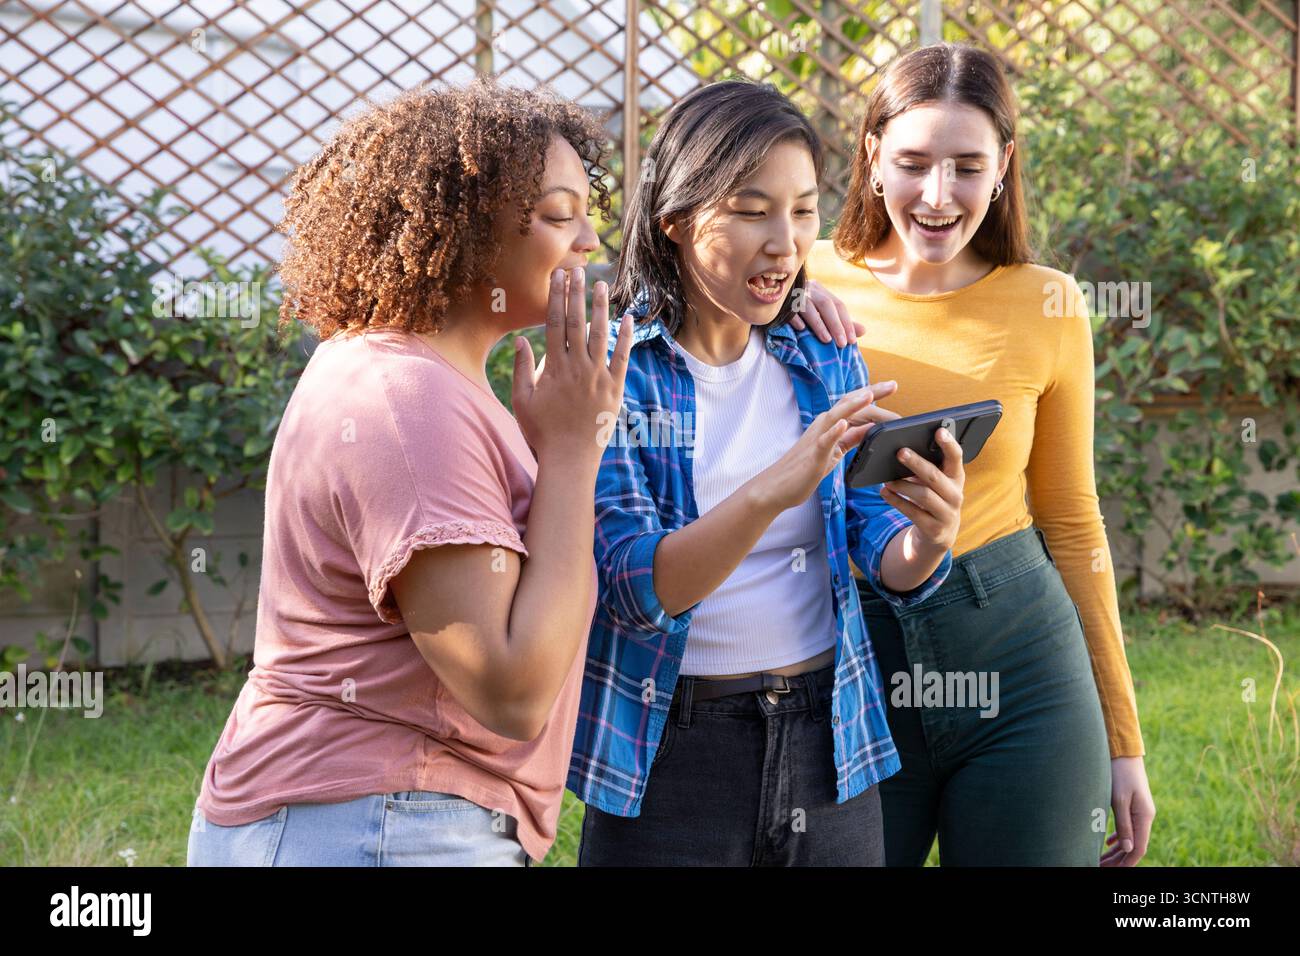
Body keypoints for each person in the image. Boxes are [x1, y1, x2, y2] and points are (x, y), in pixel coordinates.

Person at [187, 78, 632, 866]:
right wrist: (569, 456)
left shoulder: (405, 376)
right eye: (560, 215)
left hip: (372, 816)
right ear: (465, 229)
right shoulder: (409, 400)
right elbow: (511, 691)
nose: (590, 240)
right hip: (386, 821)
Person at [568, 79, 965, 866]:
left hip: (830, 741)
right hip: (673, 751)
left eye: (803, 210)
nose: (785, 242)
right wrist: (774, 487)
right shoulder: (614, 371)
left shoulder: (819, 349)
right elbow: (640, 588)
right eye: (751, 210)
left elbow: (859, 520)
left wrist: (923, 542)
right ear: (676, 219)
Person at [796, 42, 1155, 866]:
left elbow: (1071, 520)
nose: (936, 195)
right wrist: (780, 291)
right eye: (914, 162)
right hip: (855, 668)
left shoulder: (1050, 303)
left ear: (1004, 169)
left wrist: (1123, 742)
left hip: (1024, 664)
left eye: (967, 166)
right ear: (872, 157)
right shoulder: (800, 287)